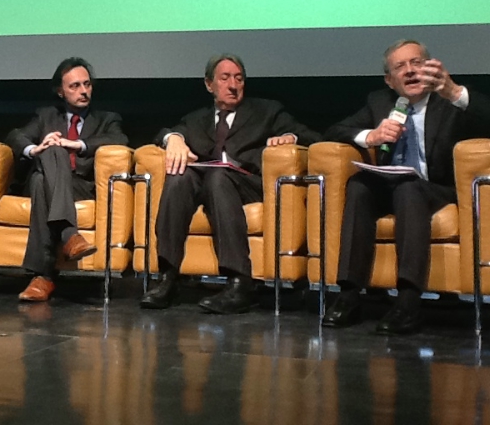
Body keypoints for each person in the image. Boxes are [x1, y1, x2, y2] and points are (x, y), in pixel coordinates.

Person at [322, 40, 490, 334]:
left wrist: (455, 92)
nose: (410, 71)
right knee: (359, 185)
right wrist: (371, 136)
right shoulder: (380, 102)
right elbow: (334, 130)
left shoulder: (448, 101)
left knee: (408, 188)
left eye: (417, 63)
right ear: (390, 80)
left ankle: (409, 302)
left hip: (435, 189)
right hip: (391, 188)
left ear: (430, 68)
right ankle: (349, 294)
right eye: (400, 67)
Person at [140, 54, 320, 313]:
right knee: (179, 177)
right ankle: (168, 277)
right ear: (209, 84)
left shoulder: (267, 111)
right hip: (207, 185)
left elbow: (312, 136)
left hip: (248, 185)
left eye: (239, 78)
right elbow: (163, 132)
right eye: (225, 78)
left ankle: (239, 283)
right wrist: (174, 138)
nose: (233, 85)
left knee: (218, 175)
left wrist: (290, 137)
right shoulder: (196, 119)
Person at [7, 57, 128, 302]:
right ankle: (69, 235)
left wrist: (77, 144)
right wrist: (36, 149)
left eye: (87, 84)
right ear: (61, 91)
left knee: (40, 180)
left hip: (80, 186)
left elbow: (119, 139)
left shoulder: (107, 118)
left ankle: (43, 276)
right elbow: (15, 136)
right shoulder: (45, 116)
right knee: (50, 152)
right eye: (75, 86)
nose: (83, 91)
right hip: (52, 183)